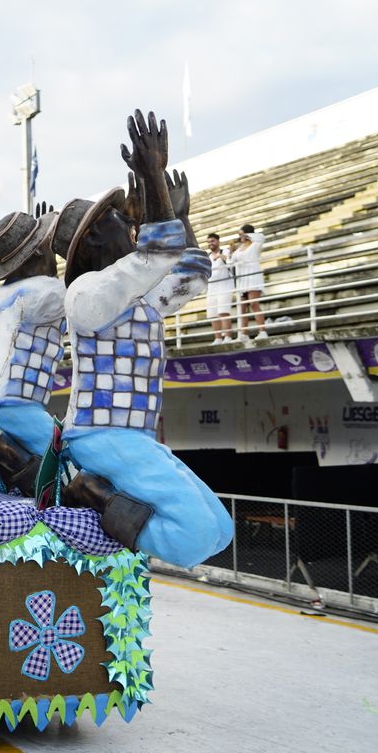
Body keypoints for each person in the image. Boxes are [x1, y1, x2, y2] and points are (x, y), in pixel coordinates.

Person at [52, 109, 232, 569]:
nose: (127, 222)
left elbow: (191, 274)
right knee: (192, 539)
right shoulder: (86, 293)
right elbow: (159, 252)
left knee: (220, 529)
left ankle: (98, 494)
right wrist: (151, 178)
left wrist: (180, 213)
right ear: (92, 239)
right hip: (100, 435)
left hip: (134, 436)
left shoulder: (137, 293)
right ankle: (91, 492)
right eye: (115, 219)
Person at [0, 205, 66, 493]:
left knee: (17, 487)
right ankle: (6, 450)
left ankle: (0, 454)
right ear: (37, 255)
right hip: (18, 407)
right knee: (67, 470)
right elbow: (90, 295)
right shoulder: (49, 292)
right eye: (48, 248)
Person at [229, 223, 267, 340]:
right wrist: (231, 252)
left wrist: (247, 235)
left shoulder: (256, 244)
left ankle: (262, 331)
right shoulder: (239, 248)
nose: (240, 236)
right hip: (242, 279)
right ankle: (243, 334)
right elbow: (231, 262)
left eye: (241, 234)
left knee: (254, 304)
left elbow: (261, 237)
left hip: (253, 277)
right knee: (242, 308)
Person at [206, 232, 235, 344]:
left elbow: (230, 260)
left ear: (218, 241)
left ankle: (228, 337)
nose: (210, 244)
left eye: (212, 241)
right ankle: (218, 338)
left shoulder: (225, 251)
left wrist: (221, 256)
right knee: (212, 314)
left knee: (223, 312)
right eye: (208, 242)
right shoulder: (207, 256)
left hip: (224, 286)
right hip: (212, 287)